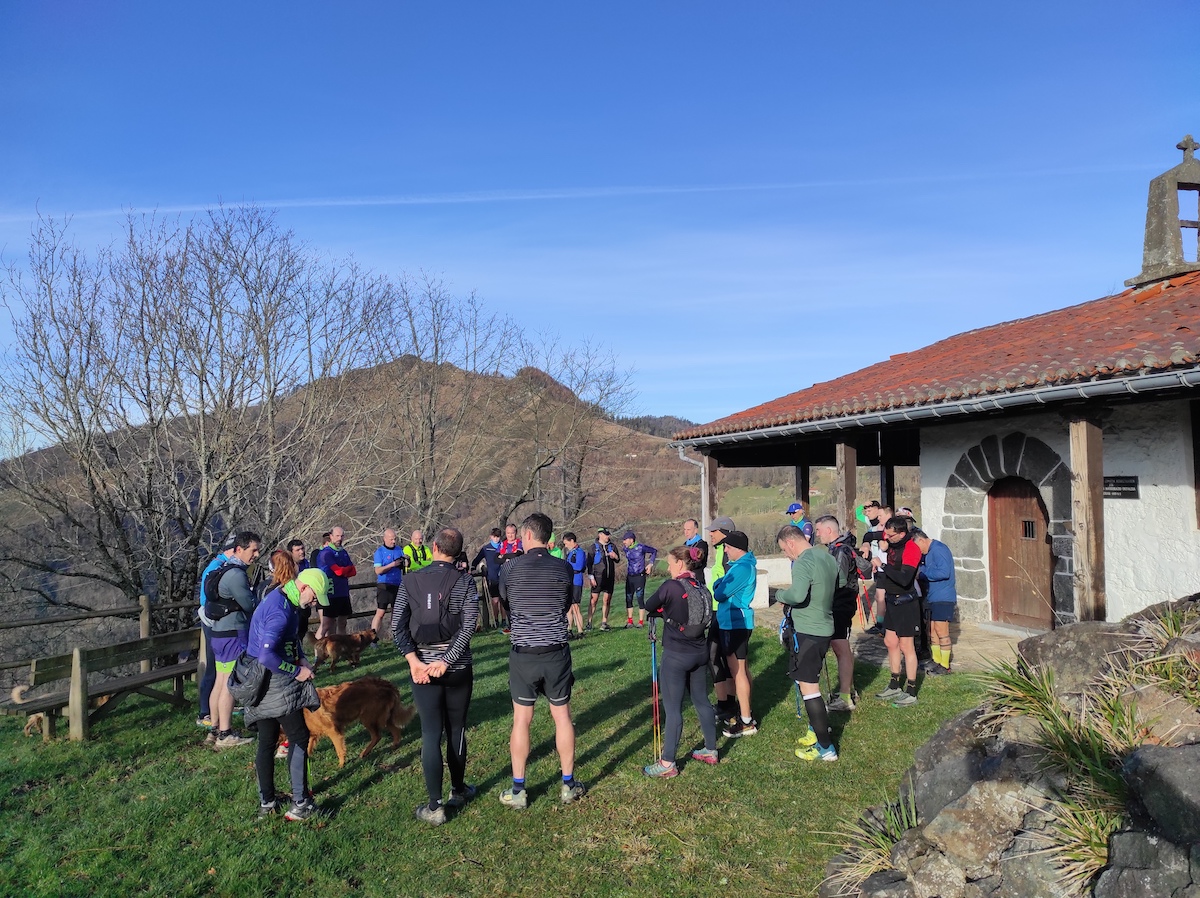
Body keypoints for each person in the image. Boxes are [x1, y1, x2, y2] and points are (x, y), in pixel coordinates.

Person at [498, 512, 586, 809]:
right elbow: (567, 603)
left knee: (522, 719)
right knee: (562, 717)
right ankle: (568, 784)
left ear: (526, 535)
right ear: (548, 537)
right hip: (555, 650)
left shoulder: (510, 568)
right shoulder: (564, 567)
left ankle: (518, 789)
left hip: (524, 652)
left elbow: (506, 603)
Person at [393, 527, 480, 825]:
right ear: (459, 552)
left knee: (431, 733)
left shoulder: (409, 580)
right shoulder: (465, 582)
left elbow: (397, 626)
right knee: (456, 729)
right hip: (457, 669)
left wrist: (414, 661)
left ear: (433, 547)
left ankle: (435, 806)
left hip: (422, 670)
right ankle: (458, 789)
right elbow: (468, 626)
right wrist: (447, 661)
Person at [245, 567, 331, 821]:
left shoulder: (285, 598)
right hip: (275, 683)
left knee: (267, 739)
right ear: (303, 587)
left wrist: (301, 657)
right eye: (314, 597)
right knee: (299, 737)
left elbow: (290, 639)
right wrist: (296, 671)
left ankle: (267, 802)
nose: (314, 604)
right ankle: (300, 804)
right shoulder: (280, 611)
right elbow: (266, 655)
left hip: (261, 680)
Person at [642, 544, 719, 777]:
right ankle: (711, 750)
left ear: (679, 563)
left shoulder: (671, 587)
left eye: (669, 563)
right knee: (701, 700)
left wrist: (662, 611)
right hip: (700, 653)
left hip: (676, 655)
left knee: (673, 708)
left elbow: (648, 605)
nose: (668, 568)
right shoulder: (702, 588)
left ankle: (668, 763)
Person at [775, 524, 840, 762]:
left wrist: (779, 595)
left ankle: (826, 747)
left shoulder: (803, 561)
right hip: (825, 626)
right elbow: (840, 583)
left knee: (809, 688)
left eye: (784, 550)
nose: (786, 555)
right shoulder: (827, 557)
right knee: (811, 681)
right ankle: (816, 729)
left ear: (791, 542)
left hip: (808, 631)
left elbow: (797, 595)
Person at [207, 531, 261, 749]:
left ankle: (214, 730)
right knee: (230, 684)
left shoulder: (222, 569)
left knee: (220, 681)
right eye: (253, 550)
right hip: (233, 634)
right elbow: (249, 604)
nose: (256, 555)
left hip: (219, 633)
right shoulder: (237, 575)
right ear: (239, 549)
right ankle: (225, 734)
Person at [813, 515, 864, 712]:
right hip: (840, 603)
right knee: (841, 648)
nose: (817, 534)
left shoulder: (841, 550)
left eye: (819, 530)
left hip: (841, 604)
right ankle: (848, 691)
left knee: (840, 648)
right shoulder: (836, 548)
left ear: (829, 530)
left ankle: (845, 698)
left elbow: (838, 580)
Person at [874, 516, 924, 706]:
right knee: (890, 641)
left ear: (902, 534)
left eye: (890, 535)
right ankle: (894, 684)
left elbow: (904, 579)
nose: (886, 538)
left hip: (906, 602)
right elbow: (873, 536)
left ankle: (911, 690)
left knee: (906, 646)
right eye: (886, 534)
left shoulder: (911, 548)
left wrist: (883, 565)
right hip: (891, 601)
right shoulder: (893, 543)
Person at [713, 531, 757, 737]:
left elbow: (719, 593)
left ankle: (746, 720)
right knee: (742, 669)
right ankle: (746, 712)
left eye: (728, 547)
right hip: (737, 623)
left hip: (734, 623)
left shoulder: (741, 568)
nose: (726, 551)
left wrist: (719, 585)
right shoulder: (742, 566)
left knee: (737, 671)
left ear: (738, 548)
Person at [196, 534, 237, 734]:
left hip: (218, 623)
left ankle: (220, 709)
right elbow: (206, 601)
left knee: (221, 670)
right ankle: (205, 712)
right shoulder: (215, 568)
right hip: (214, 624)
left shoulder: (220, 566)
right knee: (213, 668)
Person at [913, 529, 957, 674]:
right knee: (932, 632)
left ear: (921, 540)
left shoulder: (939, 549)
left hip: (943, 597)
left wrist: (922, 574)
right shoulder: (928, 553)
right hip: (933, 596)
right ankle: (936, 660)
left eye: (917, 547)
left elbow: (944, 572)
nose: (918, 551)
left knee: (941, 631)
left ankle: (945, 665)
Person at [706, 516, 736, 724]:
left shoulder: (729, 554)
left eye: (714, 531)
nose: (710, 534)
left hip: (726, 612)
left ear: (724, 533)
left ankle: (729, 705)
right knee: (716, 657)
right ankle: (725, 704)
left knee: (720, 657)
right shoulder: (720, 551)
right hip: (718, 610)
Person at [315, 527, 355, 638]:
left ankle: (341, 647)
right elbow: (338, 571)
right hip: (331, 592)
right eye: (337, 536)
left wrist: (343, 571)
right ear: (331, 536)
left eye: (342, 536)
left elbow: (353, 571)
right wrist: (345, 570)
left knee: (343, 623)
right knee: (327, 625)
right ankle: (318, 648)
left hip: (343, 591)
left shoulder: (343, 552)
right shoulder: (326, 553)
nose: (339, 538)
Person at [372, 528, 407, 636]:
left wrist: (406, 561)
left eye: (395, 539)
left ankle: (396, 637)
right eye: (391, 539)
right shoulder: (379, 552)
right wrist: (392, 565)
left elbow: (404, 565)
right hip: (384, 585)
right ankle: (373, 637)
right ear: (385, 539)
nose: (393, 541)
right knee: (380, 612)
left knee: (396, 612)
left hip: (397, 584)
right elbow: (378, 571)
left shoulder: (399, 550)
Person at [620, 530, 658, 629]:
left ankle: (640, 622)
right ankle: (630, 621)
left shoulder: (641, 547)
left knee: (640, 598)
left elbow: (654, 551)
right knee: (628, 598)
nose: (624, 542)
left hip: (639, 576)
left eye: (625, 540)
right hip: (630, 576)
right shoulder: (626, 549)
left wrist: (650, 564)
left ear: (631, 540)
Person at [471, 529, 506, 630]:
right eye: (494, 536)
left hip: (503, 576)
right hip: (492, 577)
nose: (496, 539)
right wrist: (473, 568)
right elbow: (477, 559)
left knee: (503, 600)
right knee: (495, 601)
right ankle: (495, 620)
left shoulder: (503, 546)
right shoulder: (486, 548)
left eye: (498, 536)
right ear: (491, 536)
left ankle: (504, 621)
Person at [586, 528, 620, 631]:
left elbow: (618, 560)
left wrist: (615, 556)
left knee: (607, 600)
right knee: (593, 600)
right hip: (597, 577)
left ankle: (604, 622)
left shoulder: (612, 546)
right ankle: (589, 623)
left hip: (609, 577)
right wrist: (591, 577)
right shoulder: (593, 548)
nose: (607, 536)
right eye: (605, 535)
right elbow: (589, 564)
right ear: (600, 535)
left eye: (608, 534)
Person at [562, 532, 588, 638]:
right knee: (569, 607)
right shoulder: (570, 553)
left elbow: (579, 566)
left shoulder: (579, 552)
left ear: (572, 541)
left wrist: (567, 565)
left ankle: (580, 631)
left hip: (576, 581)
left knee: (575, 606)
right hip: (569, 581)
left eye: (566, 543)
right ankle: (569, 629)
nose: (565, 545)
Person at [682, 518, 709, 585]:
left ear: (695, 530)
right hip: (685, 580)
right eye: (684, 529)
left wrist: (684, 564)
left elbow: (698, 563)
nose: (686, 532)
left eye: (688, 530)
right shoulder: (684, 545)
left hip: (697, 580)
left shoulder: (701, 545)